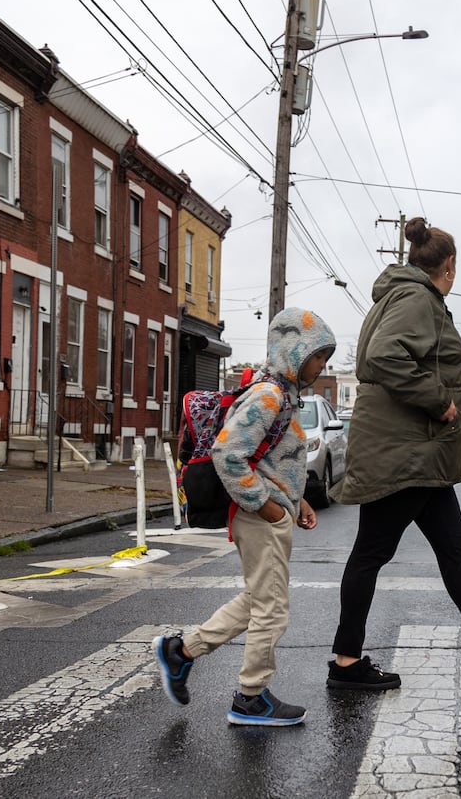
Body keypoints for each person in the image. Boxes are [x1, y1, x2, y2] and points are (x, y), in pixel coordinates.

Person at [327, 217, 461, 691]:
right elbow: (383, 356)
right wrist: (438, 399)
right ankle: (345, 663)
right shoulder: (418, 299)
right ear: (449, 264)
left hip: (416, 453)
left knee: (453, 545)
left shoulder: (403, 296)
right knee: (372, 552)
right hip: (406, 453)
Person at [154, 307, 333, 727]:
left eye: (326, 357)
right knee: (272, 609)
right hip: (258, 517)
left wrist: (297, 500)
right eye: (318, 355)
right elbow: (228, 454)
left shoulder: (283, 394)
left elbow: (276, 461)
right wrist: (267, 507)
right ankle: (250, 697)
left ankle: (180, 652)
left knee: (257, 600)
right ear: (295, 349)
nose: (322, 365)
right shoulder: (269, 396)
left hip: (267, 514)